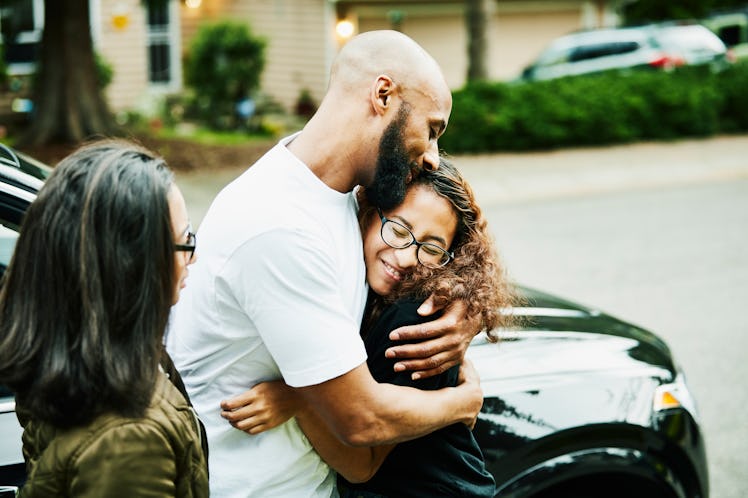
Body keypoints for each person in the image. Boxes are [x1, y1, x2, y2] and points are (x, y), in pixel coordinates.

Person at [166, 30, 483, 497]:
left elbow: (444, 238)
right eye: (432, 129)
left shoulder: (338, 194)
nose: (433, 157)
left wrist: (464, 312)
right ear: (382, 95)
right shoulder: (280, 226)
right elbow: (361, 420)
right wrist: (462, 400)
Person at [222, 157, 519, 497]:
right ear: (368, 212)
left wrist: (302, 397)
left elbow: (361, 465)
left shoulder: (417, 320)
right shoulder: (357, 289)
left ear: (454, 257)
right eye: (398, 230)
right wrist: (461, 401)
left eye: (432, 247)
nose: (407, 256)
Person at [0, 140, 208, 497]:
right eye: (184, 241)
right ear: (132, 266)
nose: (193, 258)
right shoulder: (128, 438)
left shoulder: (67, 361)